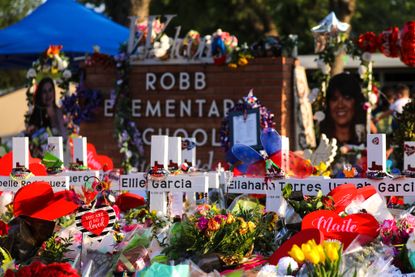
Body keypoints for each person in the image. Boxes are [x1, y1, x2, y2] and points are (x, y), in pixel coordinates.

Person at [320, 73, 366, 145]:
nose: (340, 105)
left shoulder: (368, 139)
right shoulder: (317, 140)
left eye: (347, 98)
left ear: (356, 102)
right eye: (334, 99)